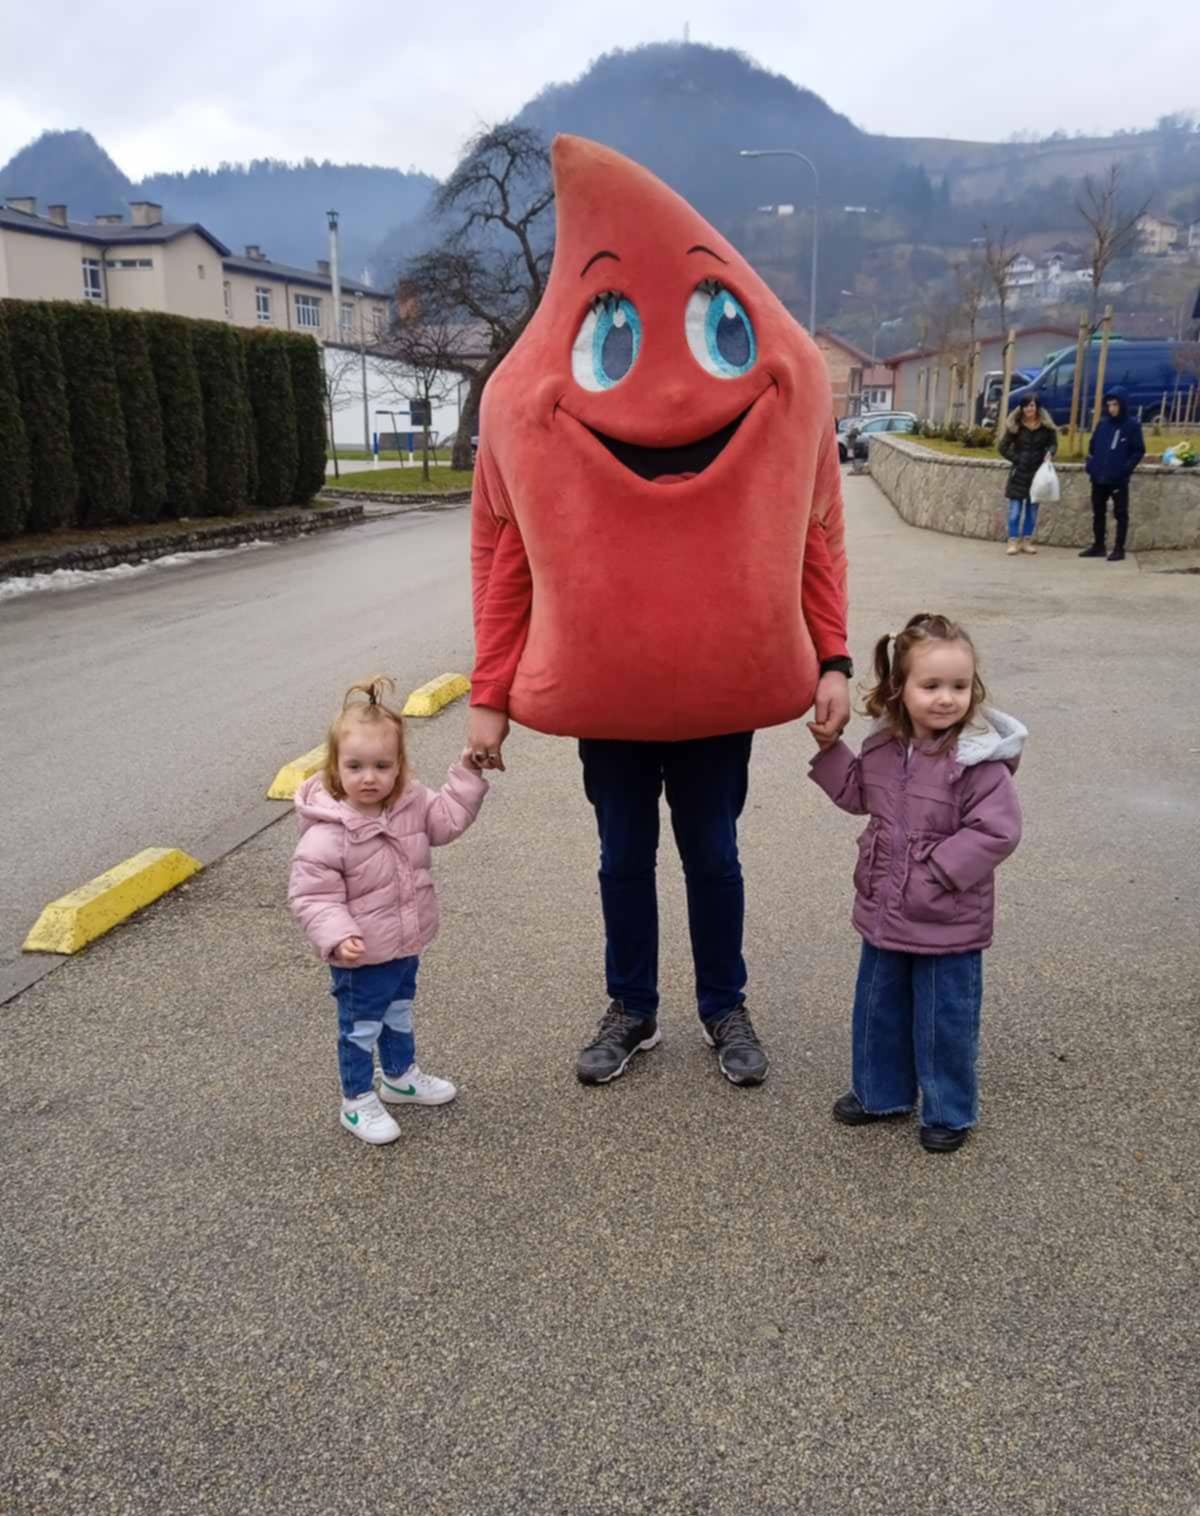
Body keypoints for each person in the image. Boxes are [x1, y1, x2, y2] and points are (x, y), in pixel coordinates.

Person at [465, 134, 851, 1091]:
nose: (674, 387)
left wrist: (834, 659)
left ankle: (725, 1006)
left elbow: (811, 537)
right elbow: (509, 563)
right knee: (622, 858)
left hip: (717, 697)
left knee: (714, 856)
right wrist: (489, 695)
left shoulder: (785, 416)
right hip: (614, 702)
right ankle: (632, 1007)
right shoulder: (535, 418)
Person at [808, 614, 1024, 1154]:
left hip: (947, 915)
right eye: (931, 686)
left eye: (959, 686)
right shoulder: (883, 747)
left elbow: (998, 830)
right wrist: (832, 749)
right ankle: (880, 1093)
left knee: (943, 1017)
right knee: (878, 1006)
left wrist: (939, 872)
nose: (947, 698)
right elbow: (857, 794)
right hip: (886, 905)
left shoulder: (977, 762)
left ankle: (948, 1109)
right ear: (899, 689)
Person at [289, 678, 488, 1146]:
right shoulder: (327, 833)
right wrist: (337, 935)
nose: (369, 777)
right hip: (360, 954)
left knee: (398, 1011)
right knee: (360, 1027)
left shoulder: (410, 803)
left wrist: (467, 773)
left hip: (404, 941)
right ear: (335, 767)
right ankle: (356, 1099)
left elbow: (448, 820)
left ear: (399, 765)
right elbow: (312, 896)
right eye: (355, 766)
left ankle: (399, 1076)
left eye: (382, 765)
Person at [1082, 385, 1144, 562]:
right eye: (1109, 405)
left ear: (1122, 405)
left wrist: (1125, 469)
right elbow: (1093, 447)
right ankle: (1098, 546)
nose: (1112, 408)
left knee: (1120, 514)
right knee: (1098, 512)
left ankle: (1119, 548)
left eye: (1115, 404)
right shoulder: (1102, 424)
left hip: (1118, 479)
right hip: (1099, 477)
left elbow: (1138, 450)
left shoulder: (1132, 426)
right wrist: (1091, 465)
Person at [997, 397, 1057, 554]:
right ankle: (1012, 541)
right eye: (1025, 406)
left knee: (1032, 512)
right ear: (1021, 409)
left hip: (1037, 476)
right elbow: (1002, 447)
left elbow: (1053, 444)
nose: (1029, 409)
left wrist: (1050, 452)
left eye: (1031, 405)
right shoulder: (1016, 426)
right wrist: (1017, 459)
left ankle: (1026, 541)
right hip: (1018, 475)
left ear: (1037, 407)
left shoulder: (1046, 427)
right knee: (1015, 512)